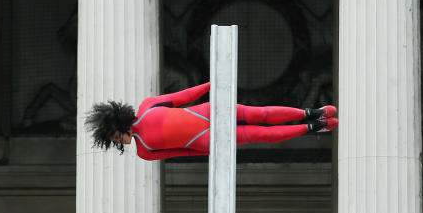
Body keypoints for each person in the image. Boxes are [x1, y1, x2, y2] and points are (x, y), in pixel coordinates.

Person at [84, 82, 337, 160]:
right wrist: (208, 151)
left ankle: (311, 115)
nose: (119, 142)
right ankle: (312, 124)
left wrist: (213, 82)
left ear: (118, 125)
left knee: (261, 118)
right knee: (261, 130)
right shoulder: (144, 151)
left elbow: (183, 97)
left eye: (115, 136)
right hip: (206, 133)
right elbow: (180, 152)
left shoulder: (147, 107)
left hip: (207, 118)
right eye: (115, 141)